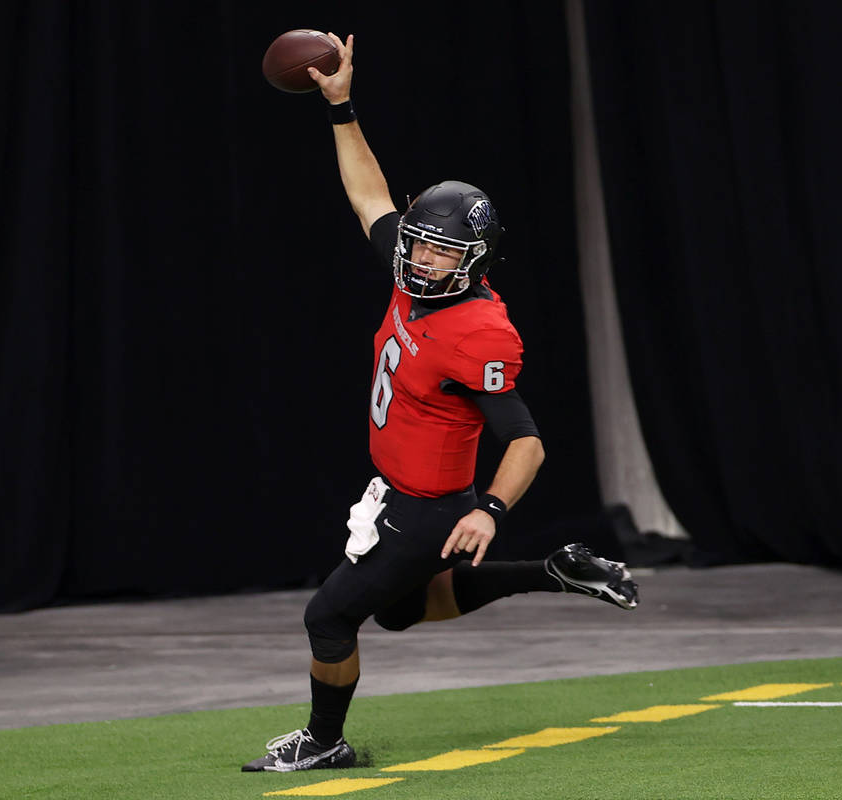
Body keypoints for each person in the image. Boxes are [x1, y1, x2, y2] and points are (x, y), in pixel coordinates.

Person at [242, 32, 639, 774]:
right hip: (397, 489)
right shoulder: (409, 271)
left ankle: (325, 742)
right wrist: (340, 107)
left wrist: (487, 510)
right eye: (418, 245)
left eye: (439, 253)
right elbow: (368, 194)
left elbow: (525, 440)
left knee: (328, 616)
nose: (421, 259)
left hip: (428, 507)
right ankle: (556, 570)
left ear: (474, 261)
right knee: (400, 610)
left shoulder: (477, 331)